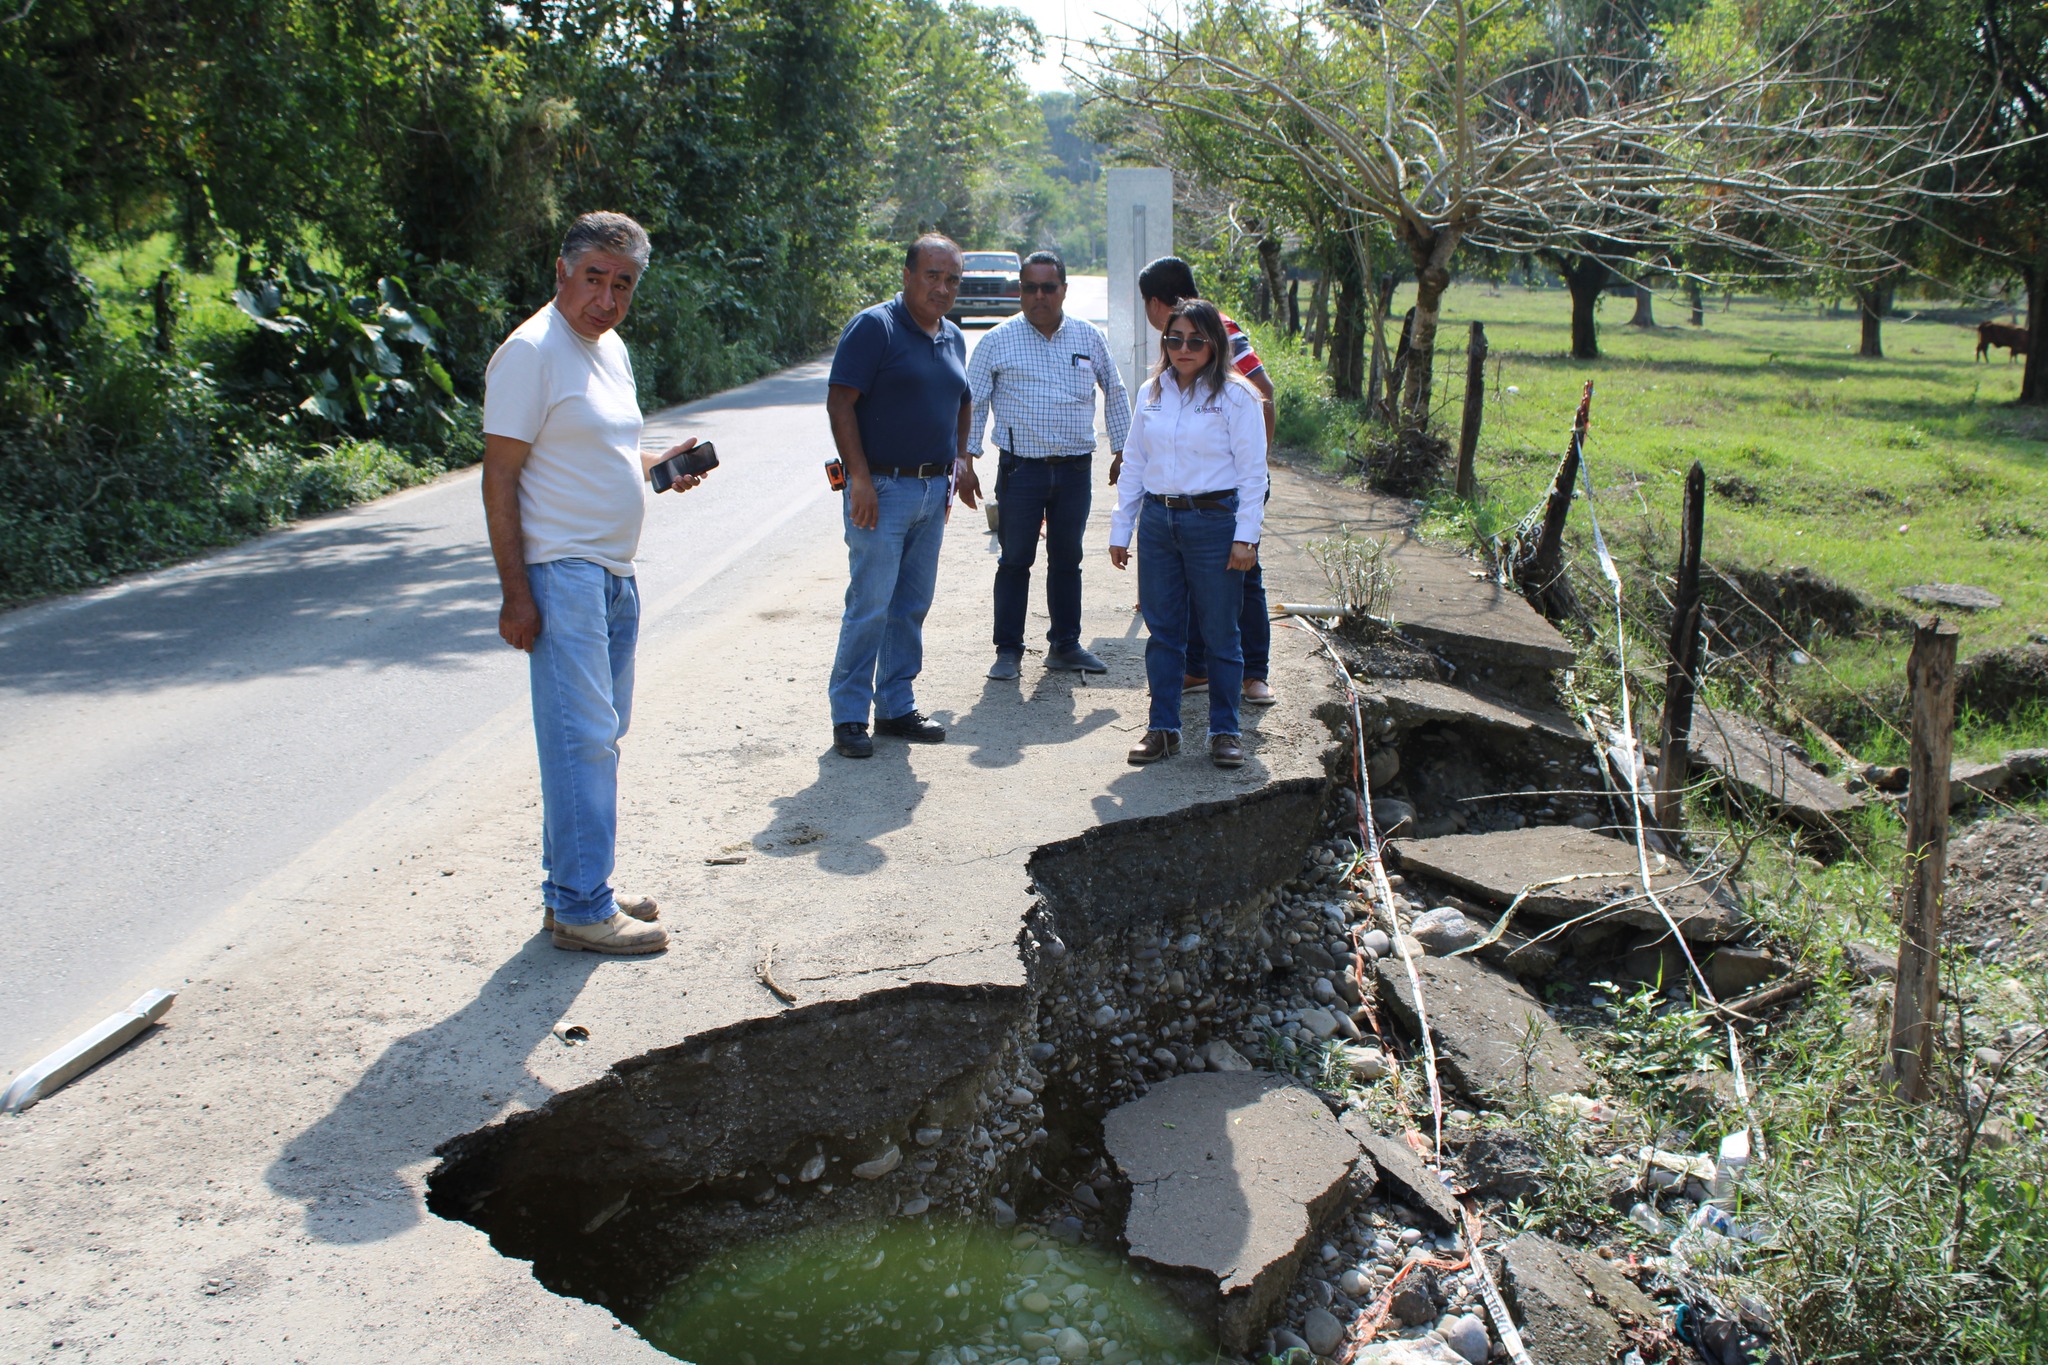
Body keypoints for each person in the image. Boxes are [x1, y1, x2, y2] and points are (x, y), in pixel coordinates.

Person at [482, 211, 708, 955]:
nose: (606, 299)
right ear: (561, 272)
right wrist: (517, 593)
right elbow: (501, 477)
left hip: (613, 573)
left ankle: (575, 886)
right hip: (562, 573)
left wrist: (659, 468)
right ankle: (582, 906)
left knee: (600, 738)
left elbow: (599, 454)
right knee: (582, 740)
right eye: (594, 279)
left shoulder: (607, 350)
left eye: (623, 284)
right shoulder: (531, 352)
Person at [825, 234, 974, 758]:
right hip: (881, 490)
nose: (942, 287)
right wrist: (858, 479)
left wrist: (960, 459)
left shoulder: (952, 336)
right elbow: (840, 405)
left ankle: (894, 706)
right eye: (932, 275)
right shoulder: (875, 328)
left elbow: (961, 399)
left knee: (911, 604)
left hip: (934, 490)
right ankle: (849, 716)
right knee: (870, 603)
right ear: (908, 275)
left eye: (952, 279)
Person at [1107, 300, 1269, 769]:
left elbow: (1253, 474)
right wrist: (1123, 529)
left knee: (1221, 632)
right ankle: (1163, 730)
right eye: (1174, 339)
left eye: (1196, 340)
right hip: (1159, 523)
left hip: (1214, 523)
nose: (1183, 349)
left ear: (1214, 344)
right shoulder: (1152, 391)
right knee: (1164, 634)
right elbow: (1135, 462)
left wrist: (1246, 538)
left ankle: (1224, 731)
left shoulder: (1237, 396)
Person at [961, 249, 1132, 681]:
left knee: (1067, 558)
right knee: (1015, 559)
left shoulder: (1088, 338)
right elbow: (972, 403)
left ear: (1064, 291)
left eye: (1048, 287)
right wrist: (966, 458)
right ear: (1020, 291)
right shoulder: (996, 341)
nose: (1040, 296)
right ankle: (1008, 651)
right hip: (1021, 472)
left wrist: (1122, 450)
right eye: (1030, 288)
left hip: (1074, 471)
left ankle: (1065, 646)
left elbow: (1115, 389)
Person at [1124, 256, 1279, 708]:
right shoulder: (1167, 367)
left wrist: (1251, 463)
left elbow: (1261, 390)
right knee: (1189, 587)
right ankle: (1196, 668)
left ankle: (1254, 673)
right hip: (1179, 498)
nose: (1180, 344)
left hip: (1228, 487)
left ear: (1156, 302)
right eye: (1174, 339)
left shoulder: (1217, 328)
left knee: (1242, 579)